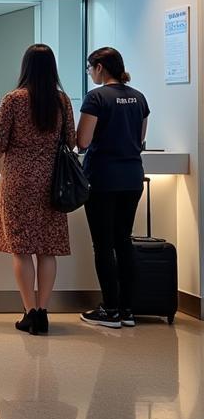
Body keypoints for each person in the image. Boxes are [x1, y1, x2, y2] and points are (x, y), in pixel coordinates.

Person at [0, 44, 76, 335]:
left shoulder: (13, 100)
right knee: (47, 249)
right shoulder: (62, 101)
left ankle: (30, 313)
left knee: (22, 249)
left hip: (18, 181)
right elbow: (71, 141)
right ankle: (44, 311)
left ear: (25, 67)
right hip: (52, 181)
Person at [76, 47, 150, 329]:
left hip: (103, 178)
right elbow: (140, 138)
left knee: (103, 245)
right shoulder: (139, 97)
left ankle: (109, 309)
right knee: (124, 240)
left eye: (89, 68)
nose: (89, 73)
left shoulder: (96, 97)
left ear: (99, 67)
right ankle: (128, 309)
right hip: (133, 178)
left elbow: (82, 141)